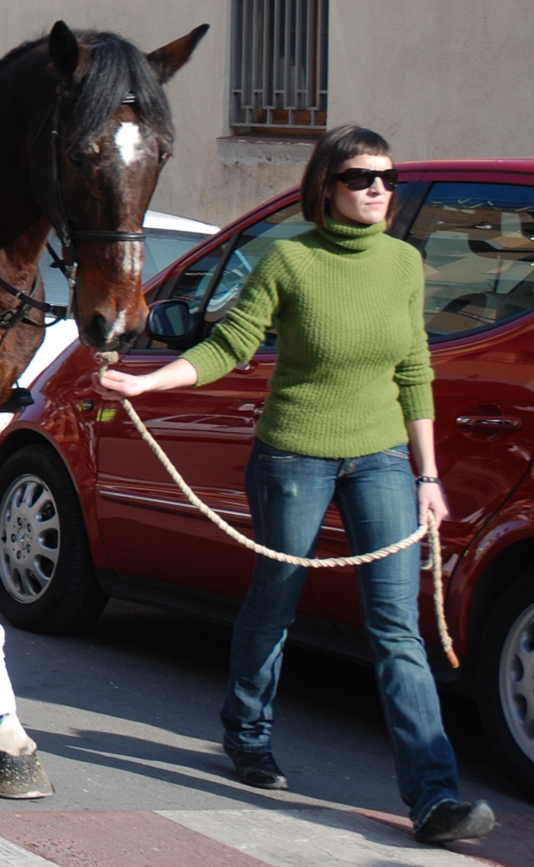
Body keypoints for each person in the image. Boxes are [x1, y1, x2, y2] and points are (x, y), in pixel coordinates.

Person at [98, 126, 493, 846]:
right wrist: (147, 382)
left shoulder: (405, 263)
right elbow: (229, 345)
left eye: (388, 177)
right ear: (326, 187)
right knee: (276, 597)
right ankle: (247, 731)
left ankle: (434, 797)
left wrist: (428, 475)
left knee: (397, 629)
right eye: (362, 177)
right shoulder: (288, 258)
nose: (379, 189)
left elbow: (414, 370)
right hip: (294, 456)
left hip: (381, 459)